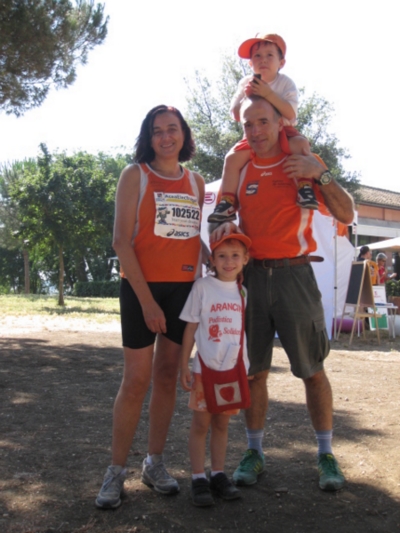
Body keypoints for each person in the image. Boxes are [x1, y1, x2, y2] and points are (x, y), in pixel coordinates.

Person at [210, 95, 354, 492]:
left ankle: (326, 454)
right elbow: (220, 219)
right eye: (247, 125)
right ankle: (254, 452)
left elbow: (346, 214)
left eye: (262, 122)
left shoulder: (304, 161)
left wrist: (320, 174)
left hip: (296, 274)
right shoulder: (239, 167)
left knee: (311, 370)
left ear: (280, 123)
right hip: (252, 278)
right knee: (254, 372)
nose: (255, 132)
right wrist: (219, 232)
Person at [95, 105, 205, 509]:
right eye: (157, 131)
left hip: (183, 291)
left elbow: (192, 237)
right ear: (148, 136)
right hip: (141, 289)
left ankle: (154, 463)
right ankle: (115, 471)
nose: (165, 137)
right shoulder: (134, 175)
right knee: (136, 380)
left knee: (166, 377)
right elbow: (121, 242)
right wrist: (146, 303)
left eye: (172, 129)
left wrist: (223, 261)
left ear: (183, 135)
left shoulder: (196, 181)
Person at [208, 33, 317, 226]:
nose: (263, 60)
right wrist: (245, 98)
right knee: (231, 159)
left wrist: (268, 94)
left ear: (281, 62)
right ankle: (227, 201)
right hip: (254, 136)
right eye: (257, 56)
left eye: (269, 55)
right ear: (250, 64)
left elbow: (290, 114)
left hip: (283, 131)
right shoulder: (245, 83)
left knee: (301, 144)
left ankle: (305, 187)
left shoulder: (285, 83)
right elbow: (234, 113)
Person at [179, 233, 251, 506]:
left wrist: (246, 365)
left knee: (222, 423)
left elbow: (243, 331)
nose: (228, 261)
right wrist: (184, 363)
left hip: (233, 370)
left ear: (245, 259)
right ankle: (198, 478)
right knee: (201, 424)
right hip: (204, 368)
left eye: (235, 255)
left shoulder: (244, 292)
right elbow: (191, 326)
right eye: (222, 255)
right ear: (212, 260)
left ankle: (218, 474)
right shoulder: (202, 287)